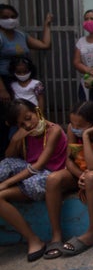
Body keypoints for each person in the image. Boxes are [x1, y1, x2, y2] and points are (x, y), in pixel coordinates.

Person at [40, 101, 93, 259]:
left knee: (91, 177)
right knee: (53, 179)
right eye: (72, 123)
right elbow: (69, 160)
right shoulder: (71, 129)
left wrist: (85, 136)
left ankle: (92, 232)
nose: (75, 127)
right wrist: (80, 175)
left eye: (81, 125)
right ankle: (56, 235)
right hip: (79, 170)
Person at [0, 99, 67, 261]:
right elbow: (9, 158)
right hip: (28, 177)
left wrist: (7, 183)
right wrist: (15, 139)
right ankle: (33, 239)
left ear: (37, 111)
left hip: (47, 177)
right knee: (5, 163)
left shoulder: (53, 130)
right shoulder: (24, 135)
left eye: (28, 118)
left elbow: (39, 165)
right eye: (21, 124)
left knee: (37, 179)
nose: (28, 125)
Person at [0, 4, 52, 155]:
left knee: (26, 117)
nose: (9, 20)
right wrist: (2, 88)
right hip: (4, 81)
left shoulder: (21, 35)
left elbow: (45, 44)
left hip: (22, 77)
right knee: (8, 119)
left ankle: (27, 152)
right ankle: (6, 153)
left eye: (12, 16)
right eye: (4, 17)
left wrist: (47, 26)